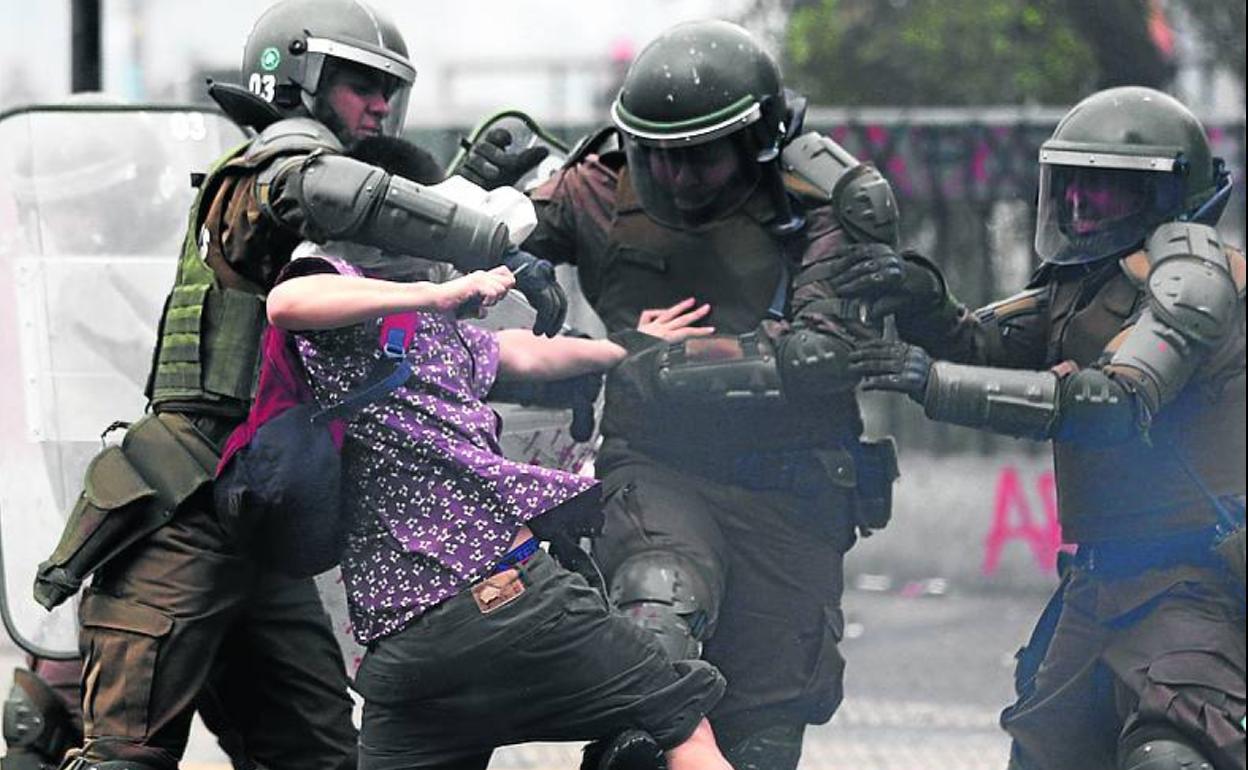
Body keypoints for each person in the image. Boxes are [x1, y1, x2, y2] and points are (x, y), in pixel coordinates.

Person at [36, 2, 565, 769]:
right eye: (358, 83)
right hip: (181, 502)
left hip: (263, 517)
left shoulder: (332, 227)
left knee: (318, 756)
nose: (380, 105)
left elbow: (395, 236)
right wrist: (491, 245)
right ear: (297, 78)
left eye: (389, 88)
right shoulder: (269, 174)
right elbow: (325, 188)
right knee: (123, 758)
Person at [459, 19, 903, 768]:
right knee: (654, 622)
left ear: (754, 140)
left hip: (788, 490)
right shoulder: (598, 188)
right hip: (659, 468)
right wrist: (476, 196)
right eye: (658, 157)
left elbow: (820, 355)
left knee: (762, 730)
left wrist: (667, 360)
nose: (676, 177)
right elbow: (469, 252)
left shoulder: (821, 203)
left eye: (699, 156)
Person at [829, 87, 1245, 770]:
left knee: (1171, 755)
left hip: (1190, 579)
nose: (1077, 201)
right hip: (1100, 580)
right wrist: (921, 301)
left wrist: (929, 381)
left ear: (1161, 195)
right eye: (1072, 181)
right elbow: (983, 345)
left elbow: (1112, 404)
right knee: (1045, 755)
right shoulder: (1087, 282)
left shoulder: (1194, 275)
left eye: (1102, 186)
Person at [265, 236, 732, 769]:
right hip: (515, 602)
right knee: (683, 726)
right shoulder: (350, 325)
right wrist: (433, 293)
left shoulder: (436, 336)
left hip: (409, 651)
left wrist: (625, 346)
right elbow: (287, 303)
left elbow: (527, 352)